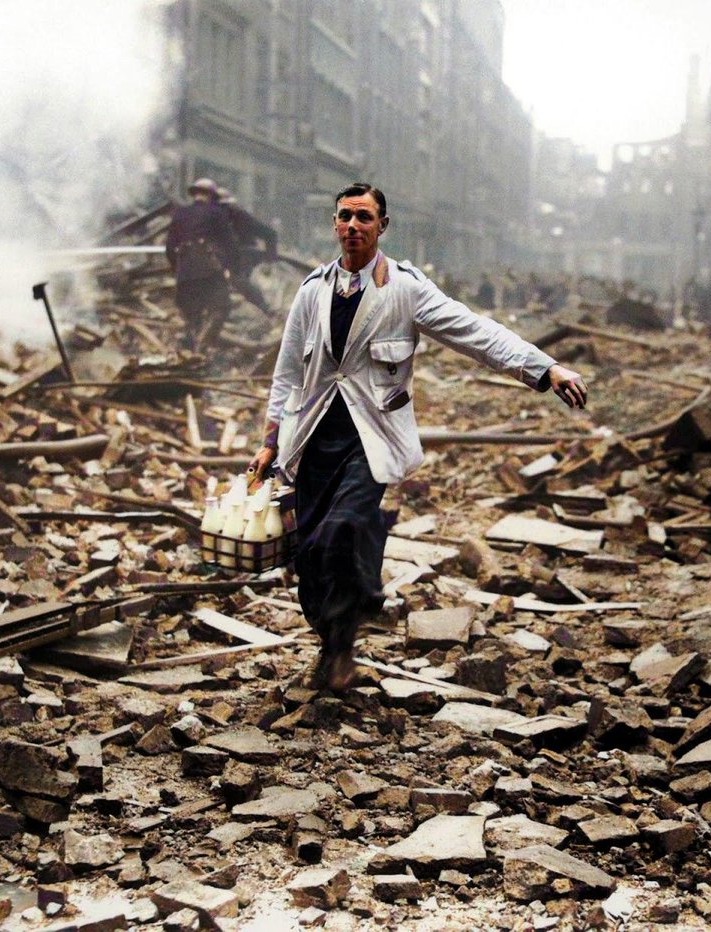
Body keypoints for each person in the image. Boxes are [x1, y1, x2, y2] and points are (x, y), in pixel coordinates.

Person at [248, 182, 588, 690]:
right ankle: (333, 642)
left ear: (382, 227)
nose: (353, 226)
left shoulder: (405, 289)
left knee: (345, 528)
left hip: (372, 437)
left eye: (365, 218)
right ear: (334, 224)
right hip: (312, 437)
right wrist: (271, 439)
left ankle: (343, 642)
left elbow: (474, 331)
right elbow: (286, 374)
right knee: (313, 553)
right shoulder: (312, 291)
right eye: (345, 216)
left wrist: (544, 368)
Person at [165, 178, 238, 352]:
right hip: (209, 272)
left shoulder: (180, 213)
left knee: (192, 315)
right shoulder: (216, 213)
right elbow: (230, 244)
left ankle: (191, 352)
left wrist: (179, 269)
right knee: (222, 306)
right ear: (212, 195)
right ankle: (202, 346)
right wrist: (229, 267)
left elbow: (169, 248)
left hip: (185, 274)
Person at [216, 187, 279, 315]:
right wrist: (269, 258)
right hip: (230, 258)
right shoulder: (235, 216)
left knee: (239, 280)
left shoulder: (238, 217)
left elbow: (270, 234)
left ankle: (264, 308)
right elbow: (270, 234)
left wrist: (269, 261)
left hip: (241, 257)